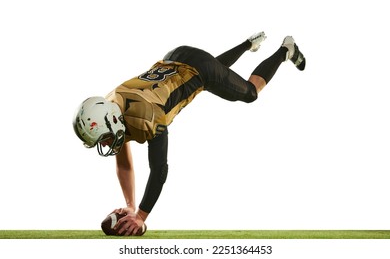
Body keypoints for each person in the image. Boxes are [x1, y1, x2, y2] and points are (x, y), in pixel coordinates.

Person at [73, 31, 306, 236]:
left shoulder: (146, 116)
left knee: (249, 93)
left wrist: (141, 216)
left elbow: (159, 168)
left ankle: (285, 50)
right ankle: (249, 44)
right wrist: (129, 205)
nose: (104, 143)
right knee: (212, 76)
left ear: (112, 121)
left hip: (198, 68)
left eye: (103, 137)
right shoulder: (110, 105)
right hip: (175, 56)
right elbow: (124, 164)